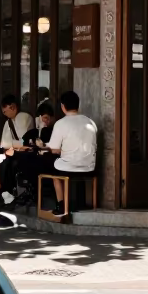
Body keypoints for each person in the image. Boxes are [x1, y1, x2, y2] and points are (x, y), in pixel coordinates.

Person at [49, 90, 97, 218]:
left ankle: (61, 204)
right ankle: (80, 202)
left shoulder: (60, 123)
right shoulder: (90, 122)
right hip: (89, 166)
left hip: (69, 167)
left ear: (62, 106)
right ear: (78, 105)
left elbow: (53, 149)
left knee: (53, 171)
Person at [0, 94, 34, 200]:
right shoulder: (8, 122)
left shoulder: (24, 117)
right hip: (13, 152)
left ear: (13, 107)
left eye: (5, 111)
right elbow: (5, 144)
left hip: (25, 153)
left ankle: (7, 192)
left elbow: (23, 142)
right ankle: (5, 192)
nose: (5, 114)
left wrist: (11, 147)